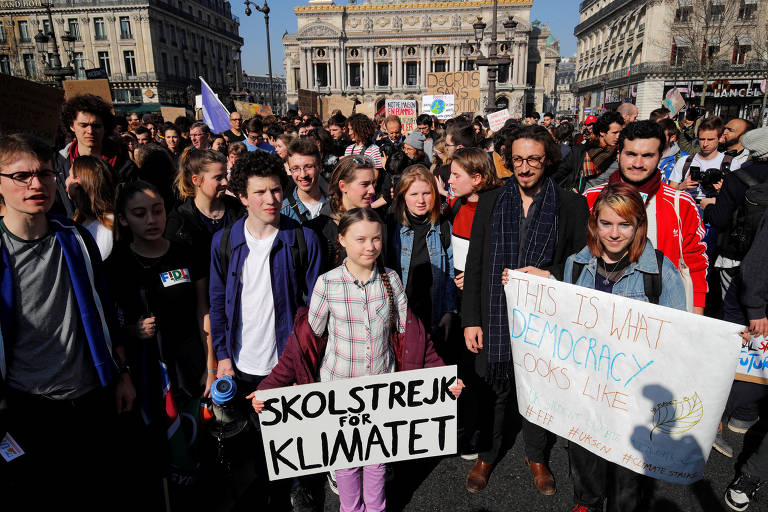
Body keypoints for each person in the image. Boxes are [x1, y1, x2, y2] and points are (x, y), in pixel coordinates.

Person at [248, 207, 464, 512]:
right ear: (342, 240)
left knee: (377, 462)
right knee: (345, 463)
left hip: (381, 394)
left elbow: (415, 337)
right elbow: (302, 344)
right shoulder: (327, 284)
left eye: (376, 239)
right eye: (360, 239)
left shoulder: (391, 280)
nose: (370, 246)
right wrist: (268, 388)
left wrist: (443, 378)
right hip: (338, 395)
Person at [0, 134, 135, 509]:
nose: (36, 184)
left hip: (90, 398)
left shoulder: (76, 239)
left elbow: (104, 310)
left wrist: (122, 374)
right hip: (27, 407)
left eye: (45, 173)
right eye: (21, 176)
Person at [462, 125, 590, 495]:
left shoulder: (570, 204)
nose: (524, 167)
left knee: (539, 390)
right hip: (495, 313)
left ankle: (536, 456)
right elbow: (475, 263)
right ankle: (488, 455)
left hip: (547, 316)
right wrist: (471, 320)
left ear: (547, 160)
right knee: (494, 390)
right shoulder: (491, 201)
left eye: (533, 159)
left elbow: (582, 262)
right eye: (517, 159)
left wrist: (550, 273)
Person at [560, 182, 686, 512]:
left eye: (625, 224)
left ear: (639, 225)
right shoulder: (576, 264)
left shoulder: (661, 271)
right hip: (588, 386)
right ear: (594, 223)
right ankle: (586, 501)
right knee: (584, 453)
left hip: (633, 391)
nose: (615, 233)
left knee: (627, 472)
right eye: (606, 223)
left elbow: (679, 338)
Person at [208, 148, 323, 509]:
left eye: (275, 190)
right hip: (243, 365)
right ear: (242, 197)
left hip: (287, 363)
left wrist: (306, 363)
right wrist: (223, 357)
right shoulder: (223, 242)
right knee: (255, 442)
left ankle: (298, 486)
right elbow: (217, 303)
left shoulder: (304, 240)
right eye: (259, 192)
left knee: (293, 435)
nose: (270, 199)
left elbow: (317, 311)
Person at [105, 180, 210, 505]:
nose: (151, 220)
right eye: (140, 214)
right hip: (146, 376)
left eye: (157, 211)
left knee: (196, 447)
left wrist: (211, 365)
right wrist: (132, 331)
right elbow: (107, 326)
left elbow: (203, 312)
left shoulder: (186, 253)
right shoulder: (115, 266)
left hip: (191, 371)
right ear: (124, 219)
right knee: (157, 454)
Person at [584, 120, 709, 314]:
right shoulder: (591, 199)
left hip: (662, 309)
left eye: (647, 155)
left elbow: (695, 262)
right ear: (618, 154)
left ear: (660, 157)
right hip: (600, 307)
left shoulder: (681, 204)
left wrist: (696, 314)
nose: (638, 163)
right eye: (631, 154)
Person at [387, 165, 456, 349]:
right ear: (403, 196)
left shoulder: (443, 227)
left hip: (434, 317)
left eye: (426, 193)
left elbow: (450, 273)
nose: (421, 200)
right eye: (414, 194)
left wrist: (449, 311)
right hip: (401, 320)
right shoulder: (391, 226)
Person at [166, 148, 244, 269]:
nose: (225, 182)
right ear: (196, 180)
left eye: (225, 176)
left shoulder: (237, 209)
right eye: (218, 178)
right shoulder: (180, 221)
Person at [56, 94, 133, 216]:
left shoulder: (125, 165)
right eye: (83, 125)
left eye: (96, 126)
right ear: (72, 126)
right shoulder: (59, 164)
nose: (90, 131)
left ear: (105, 128)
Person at [307, 155, 377, 271]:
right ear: (343, 186)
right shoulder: (318, 231)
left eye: (373, 183)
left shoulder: (377, 222)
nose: (372, 191)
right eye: (364, 184)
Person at [555, 111, 624, 193]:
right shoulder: (581, 151)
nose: (618, 136)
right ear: (602, 132)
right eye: (615, 133)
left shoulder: (621, 154)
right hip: (579, 197)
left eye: (620, 132)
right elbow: (559, 174)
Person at [66, 155, 116, 259]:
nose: (66, 180)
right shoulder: (80, 219)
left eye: (69, 175)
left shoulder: (106, 225)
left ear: (77, 182)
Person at [669, 117, 730, 202]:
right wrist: (681, 186)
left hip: (714, 207)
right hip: (686, 206)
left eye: (710, 139)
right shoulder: (684, 161)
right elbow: (670, 193)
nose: (705, 144)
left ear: (720, 138)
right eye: (701, 139)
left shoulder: (729, 163)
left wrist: (723, 191)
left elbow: (736, 198)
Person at [281, 138, 328, 223]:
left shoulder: (337, 204)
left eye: (308, 167)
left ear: (320, 167)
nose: (303, 175)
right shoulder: (283, 212)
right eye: (296, 168)